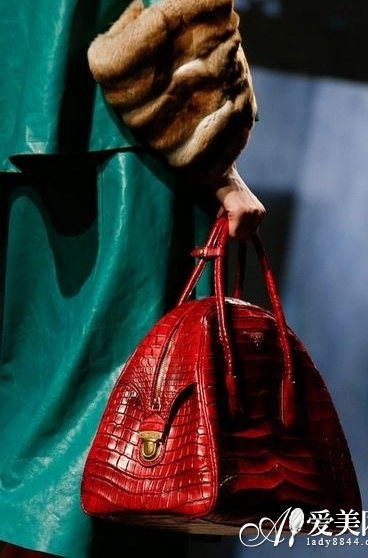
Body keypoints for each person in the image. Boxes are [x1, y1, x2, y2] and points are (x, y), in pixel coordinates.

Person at [0, 1, 265, 556]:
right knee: (117, 447)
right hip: (124, 156)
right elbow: (173, 23)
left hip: (21, 130)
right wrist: (219, 164)